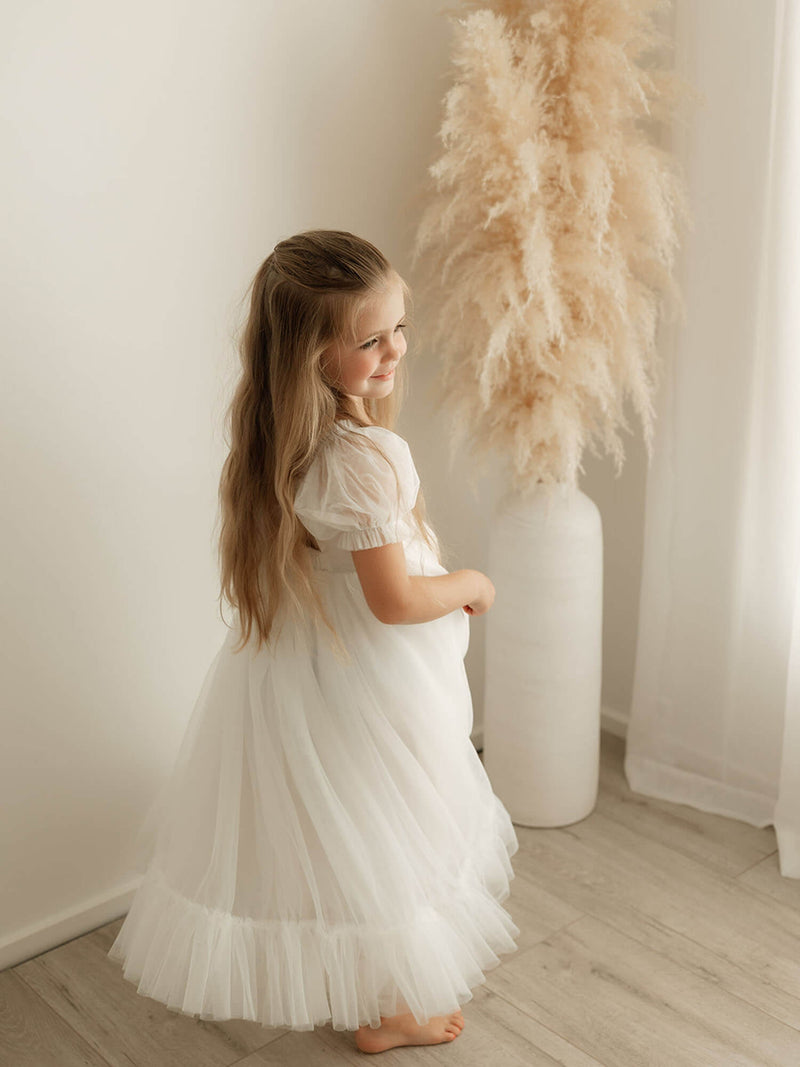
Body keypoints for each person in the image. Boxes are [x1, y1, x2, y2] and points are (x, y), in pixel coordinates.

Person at [107, 230, 519, 1054]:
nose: (395, 349)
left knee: (339, 830)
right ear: (311, 355)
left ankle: (364, 993)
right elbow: (395, 599)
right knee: (388, 823)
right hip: (366, 672)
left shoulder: (277, 436)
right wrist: (471, 583)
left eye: (399, 327)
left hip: (302, 668)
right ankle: (387, 1010)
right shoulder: (366, 457)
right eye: (370, 340)